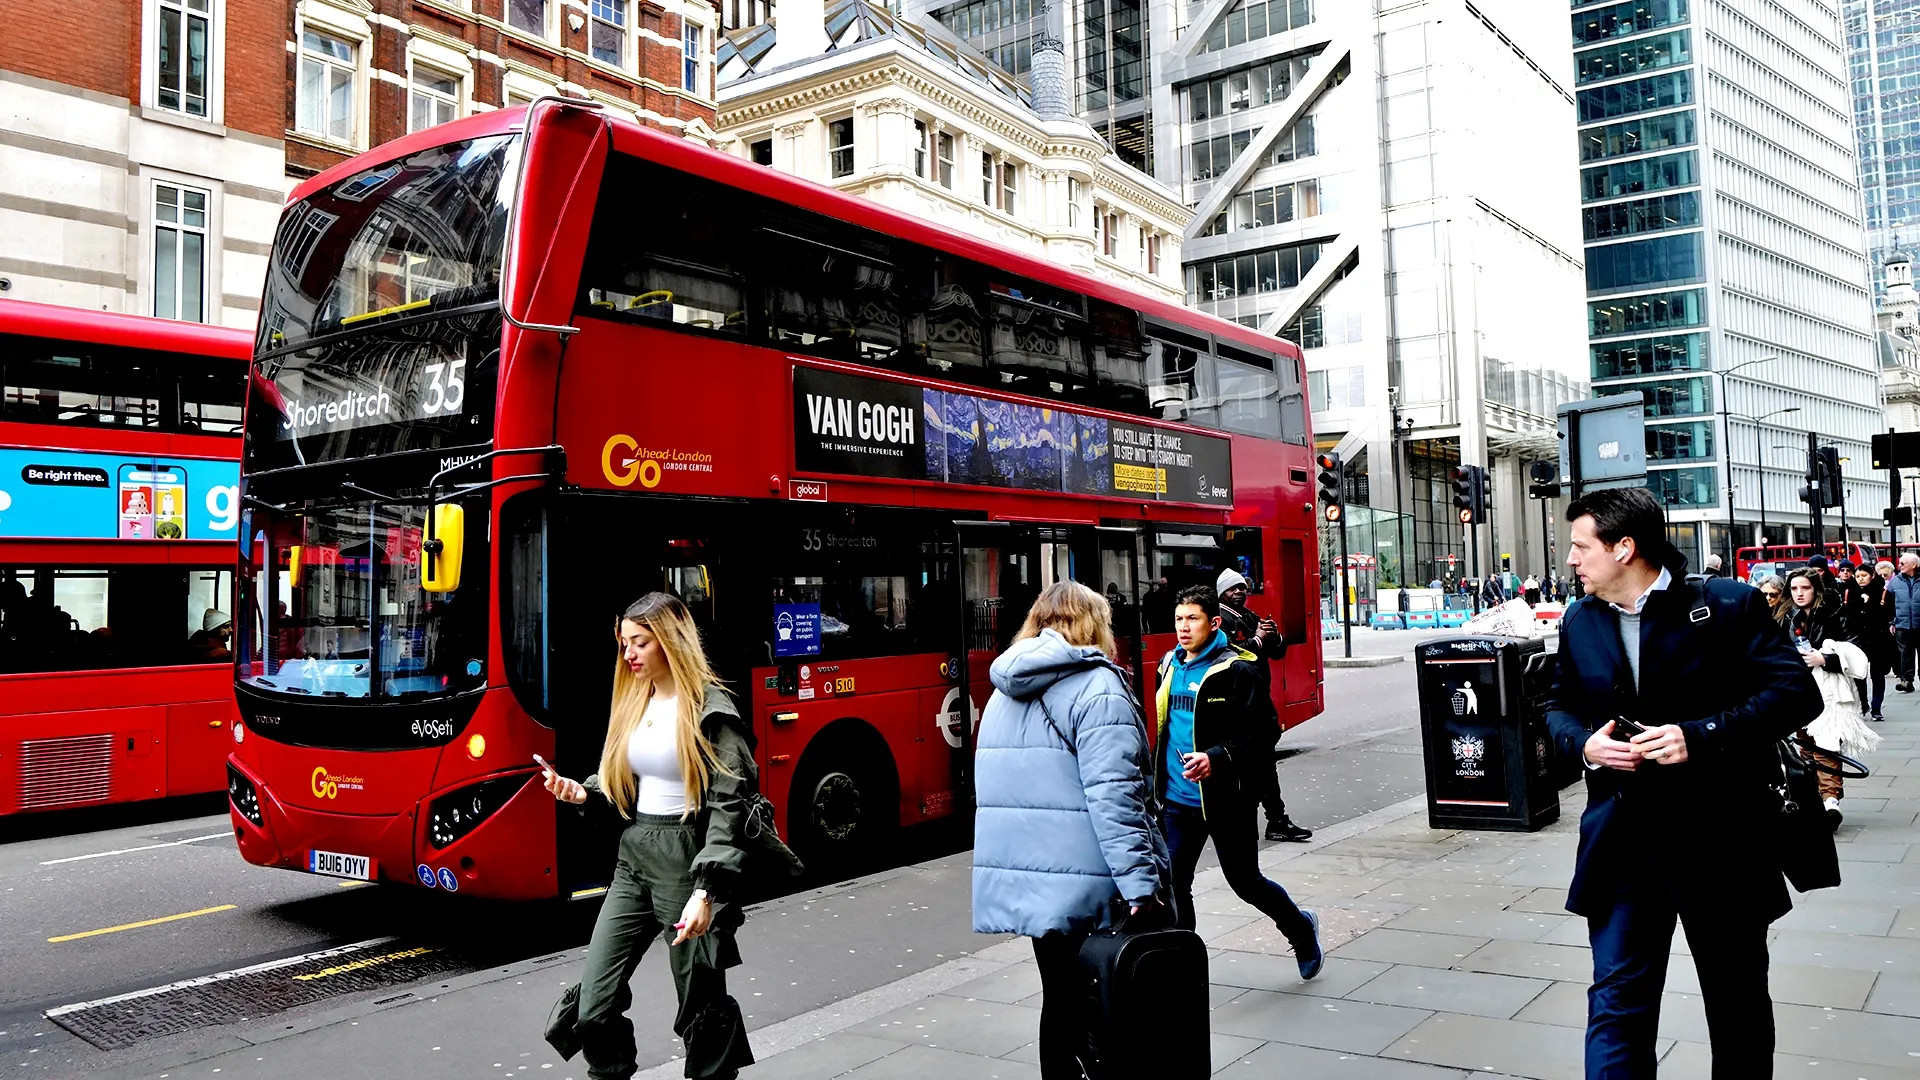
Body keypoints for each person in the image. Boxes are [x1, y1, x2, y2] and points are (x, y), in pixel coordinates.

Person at [1545, 487, 1821, 1079]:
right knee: (1616, 1006)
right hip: (1620, 845)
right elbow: (1558, 704)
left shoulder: (1726, 605)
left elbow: (1797, 695)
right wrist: (1584, 743)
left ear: (1625, 547)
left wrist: (1699, 736)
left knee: (1737, 1006)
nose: (1570, 559)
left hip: (1720, 843)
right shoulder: (1581, 619)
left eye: (1579, 545)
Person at [541, 592, 784, 1080]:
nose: (628, 654)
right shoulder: (637, 699)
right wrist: (584, 792)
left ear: (669, 642)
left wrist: (705, 891)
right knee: (594, 1002)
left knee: (701, 1004)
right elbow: (628, 779)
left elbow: (728, 804)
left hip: (687, 857)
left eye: (640, 643)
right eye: (625, 643)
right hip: (635, 856)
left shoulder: (709, 710)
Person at [972, 581, 1166, 1080]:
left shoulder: (1001, 691)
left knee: (1057, 997)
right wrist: (1142, 885)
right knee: (1113, 1002)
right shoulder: (1099, 688)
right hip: (1091, 883)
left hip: (1036, 881)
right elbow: (1116, 798)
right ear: (1094, 624)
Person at [1155, 586, 1323, 979]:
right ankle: (1184, 964)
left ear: (1214, 623)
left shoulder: (1237, 671)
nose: (1184, 627)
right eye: (1179, 619)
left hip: (1226, 798)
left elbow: (1264, 735)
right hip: (1178, 801)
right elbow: (1166, 728)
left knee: (1245, 882)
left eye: (1193, 619)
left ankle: (1301, 930)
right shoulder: (1169, 664)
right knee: (1176, 881)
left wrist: (1216, 758)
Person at [1214, 568, 1312, 843]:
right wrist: (1258, 639)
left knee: (1265, 763)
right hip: (1239, 706)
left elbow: (1276, 652)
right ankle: (1266, 821)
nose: (1240, 592)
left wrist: (1274, 636)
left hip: (1258, 702)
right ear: (1222, 592)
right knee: (1255, 766)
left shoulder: (1249, 616)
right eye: (1234, 589)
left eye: (1243, 587)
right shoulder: (1219, 622)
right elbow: (1230, 655)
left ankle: (1275, 820)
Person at [1783, 568, 1878, 829]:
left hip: (1829, 691)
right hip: (1794, 688)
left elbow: (1858, 647)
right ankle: (1814, 799)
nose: (1799, 594)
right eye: (1794, 589)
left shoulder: (1836, 612)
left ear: (1816, 589)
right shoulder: (1785, 616)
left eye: (1805, 588)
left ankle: (1830, 801)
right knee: (1804, 747)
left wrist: (1826, 658)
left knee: (1826, 745)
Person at [1845, 562, 1895, 722]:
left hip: (1878, 639)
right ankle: (1864, 703)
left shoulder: (1883, 593)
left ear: (1872, 576)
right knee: (1859, 674)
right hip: (1858, 640)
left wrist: (1869, 603)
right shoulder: (1849, 593)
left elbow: (1888, 614)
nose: (1860, 579)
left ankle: (1876, 707)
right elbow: (1847, 616)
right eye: (1858, 576)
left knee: (1877, 674)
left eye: (1864, 576)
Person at [1889, 553, 1920, 692]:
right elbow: (1888, 604)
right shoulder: (1895, 581)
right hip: (1902, 624)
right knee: (1905, 654)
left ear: (1913, 565)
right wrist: (1891, 622)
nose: (1899, 566)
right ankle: (1906, 681)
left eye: (1903, 563)